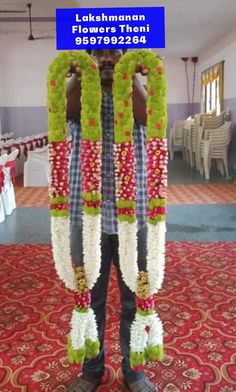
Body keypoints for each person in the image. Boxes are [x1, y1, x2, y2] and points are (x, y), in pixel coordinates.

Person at [66, 49, 157, 392]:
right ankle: (92, 371)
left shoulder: (140, 88)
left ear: (125, 54)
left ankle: (134, 372)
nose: (106, 58)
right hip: (85, 215)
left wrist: (128, 73)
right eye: (98, 52)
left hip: (134, 217)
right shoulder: (80, 91)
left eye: (113, 51)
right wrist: (79, 73)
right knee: (90, 299)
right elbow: (64, 111)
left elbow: (148, 116)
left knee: (136, 299)